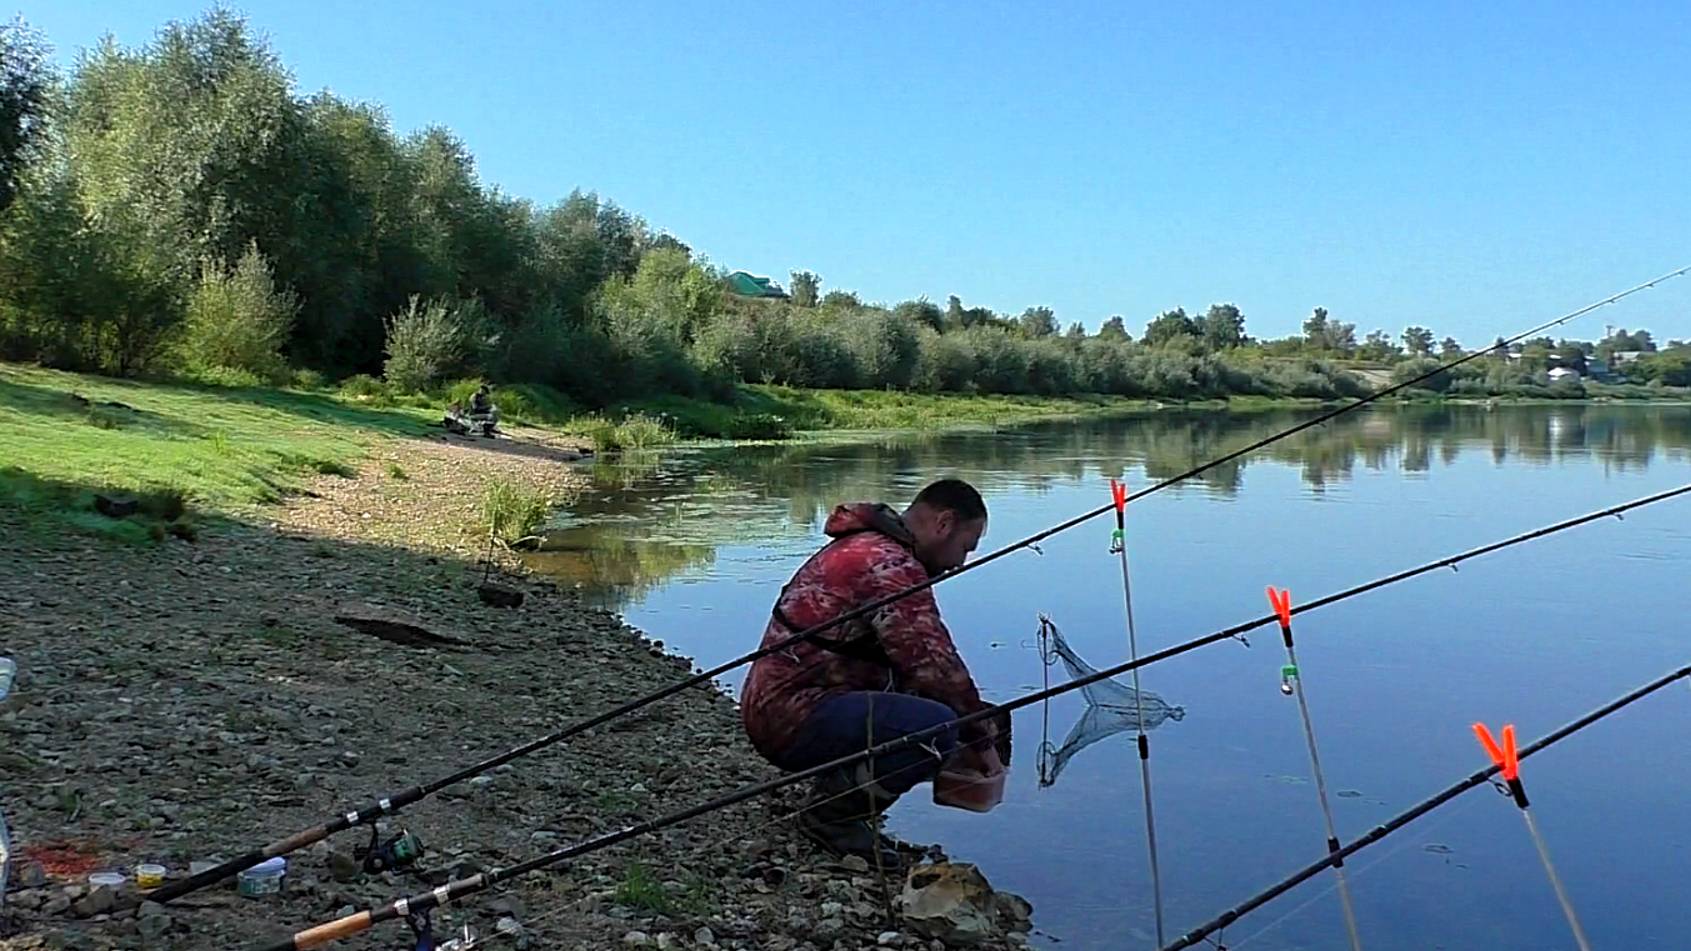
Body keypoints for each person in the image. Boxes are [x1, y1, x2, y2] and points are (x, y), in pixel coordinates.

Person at [740, 479, 1008, 865]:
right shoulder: (889, 566)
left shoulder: (869, 546)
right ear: (944, 523)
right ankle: (833, 818)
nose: (959, 563)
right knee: (937, 729)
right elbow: (934, 665)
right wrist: (981, 742)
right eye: (965, 547)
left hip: (784, 701)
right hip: (789, 717)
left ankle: (841, 791)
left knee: (976, 716)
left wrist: (980, 724)